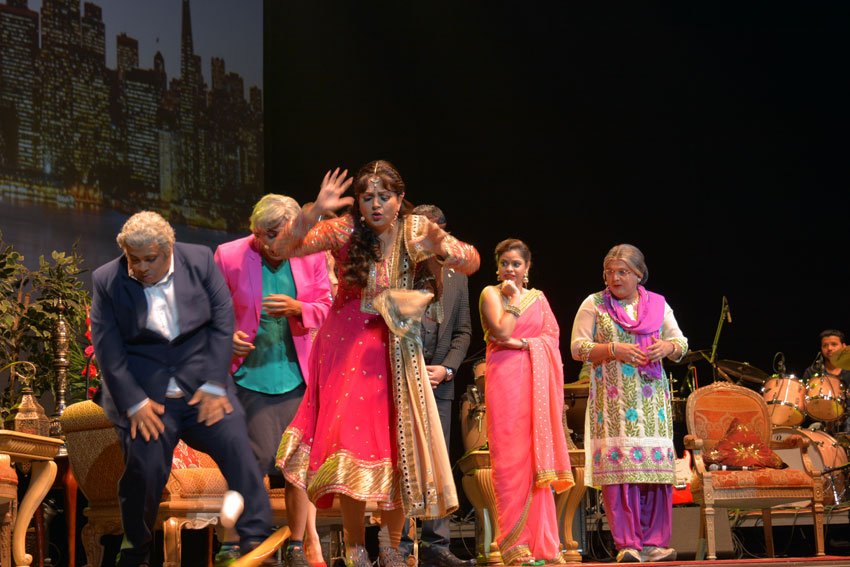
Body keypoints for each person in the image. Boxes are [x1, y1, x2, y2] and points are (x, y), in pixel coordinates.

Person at [273, 161, 480, 567]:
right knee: (351, 446)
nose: (375, 205)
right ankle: (355, 548)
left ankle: (390, 545)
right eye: (367, 197)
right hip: (347, 348)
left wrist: (442, 245)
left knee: (400, 447)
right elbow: (284, 247)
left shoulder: (415, 230)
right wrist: (315, 210)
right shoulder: (345, 230)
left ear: (400, 199)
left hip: (397, 350)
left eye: (384, 197)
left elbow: (470, 261)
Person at [90, 211, 272, 567]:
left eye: (150, 259)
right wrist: (134, 403)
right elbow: (107, 349)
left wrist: (216, 384)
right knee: (144, 473)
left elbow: (222, 320)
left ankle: (254, 540)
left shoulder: (199, 260)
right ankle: (136, 549)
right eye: (134, 259)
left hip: (202, 387)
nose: (141, 267)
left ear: (168, 249)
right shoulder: (107, 280)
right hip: (146, 397)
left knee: (240, 449)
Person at [214, 195, 333, 567]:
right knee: (251, 462)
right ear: (254, 230)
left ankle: (295, 546)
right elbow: (205, 311)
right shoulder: (229, 255)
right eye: (268, 236)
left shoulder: (310, 255)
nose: (276, 245)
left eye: (284, 237)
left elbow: (328, 306)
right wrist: (225, 338)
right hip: (250, 376)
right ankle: (238, 541)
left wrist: (299, 308)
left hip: (297, 376)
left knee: (297, 467)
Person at [570, 244, 688, 563]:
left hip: (652, 403)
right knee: (622, 472)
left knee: (653, 473)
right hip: (613, 405)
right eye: (609, 272)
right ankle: (628, 544)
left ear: (639, 275)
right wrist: (612, 349)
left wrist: (667, 348)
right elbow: (578, 347)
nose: (615, 278)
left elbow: (680, 342)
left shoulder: (658, 305)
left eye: (622, 272)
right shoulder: (594, 304)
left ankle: (654, 543)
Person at [479, 238, 573, 565]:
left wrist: (522, 344)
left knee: (534, 460)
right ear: (497, 267)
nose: (510, 269)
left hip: (535, 384)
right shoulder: (491, 295)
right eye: (504, 263)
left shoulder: (541, 299)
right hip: (504, 382)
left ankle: (544, 545)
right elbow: (502, 332)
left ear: (527, 268)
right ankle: (513, 545)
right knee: (509, 461)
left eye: (516, 264)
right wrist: (516, 301)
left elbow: (551, 340)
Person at [390, 204, 475, 567]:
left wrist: (447, 369)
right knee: (404, 461)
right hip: (401, 380)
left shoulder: (457, 275)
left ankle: (435, 544)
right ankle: (398, 545)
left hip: (439, 384)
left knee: (437, 464)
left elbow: (463, 331)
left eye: (431, 232)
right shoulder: (398, 269)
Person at [801, 329, 850, 433]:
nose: (829, 348)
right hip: (817, 418)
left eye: (834, 344)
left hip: (845, 420)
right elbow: (803, 401)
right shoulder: (811, 372)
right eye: (825, 345)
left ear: (844, 346)